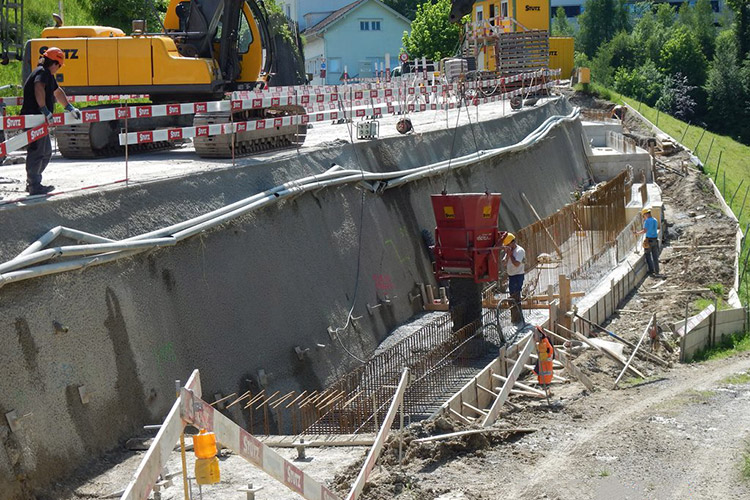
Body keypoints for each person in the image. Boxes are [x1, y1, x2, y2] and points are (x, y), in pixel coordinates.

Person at [20, 47, 80, 195]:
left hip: (39, 119)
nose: (58, 69)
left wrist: (69, 107)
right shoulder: (42, 73)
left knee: (46, 151)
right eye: (59, 66)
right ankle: (34, 185)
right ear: (54, 63)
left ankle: (33, 182)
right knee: (38, 151)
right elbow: (38, 88)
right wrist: (44, 109)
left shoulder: (47, 75)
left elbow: (57, 92)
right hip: (33, 118)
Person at [502, 232, 525, 324]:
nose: (507, 247)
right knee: (513, 297)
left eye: (508, 245)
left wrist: (510, 255)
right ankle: (515, 318)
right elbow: (504, 263)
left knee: (515, 297)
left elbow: (516, 264)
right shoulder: (509, 251)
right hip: (511, 276)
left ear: (512, 242)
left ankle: (518, 318)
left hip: (518, 276)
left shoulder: (520, 251)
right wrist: (507, 256)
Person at [635, 207, 660, 275]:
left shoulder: (647, 221)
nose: (644, 217)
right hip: (655, 239)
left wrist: (637, 233)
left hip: (649, 240)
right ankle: (657, 271)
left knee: (648, 255)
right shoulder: (655, 220)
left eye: (643, 216)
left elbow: (645, 230)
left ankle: (651, 271)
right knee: (655, 256)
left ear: (646, 214)